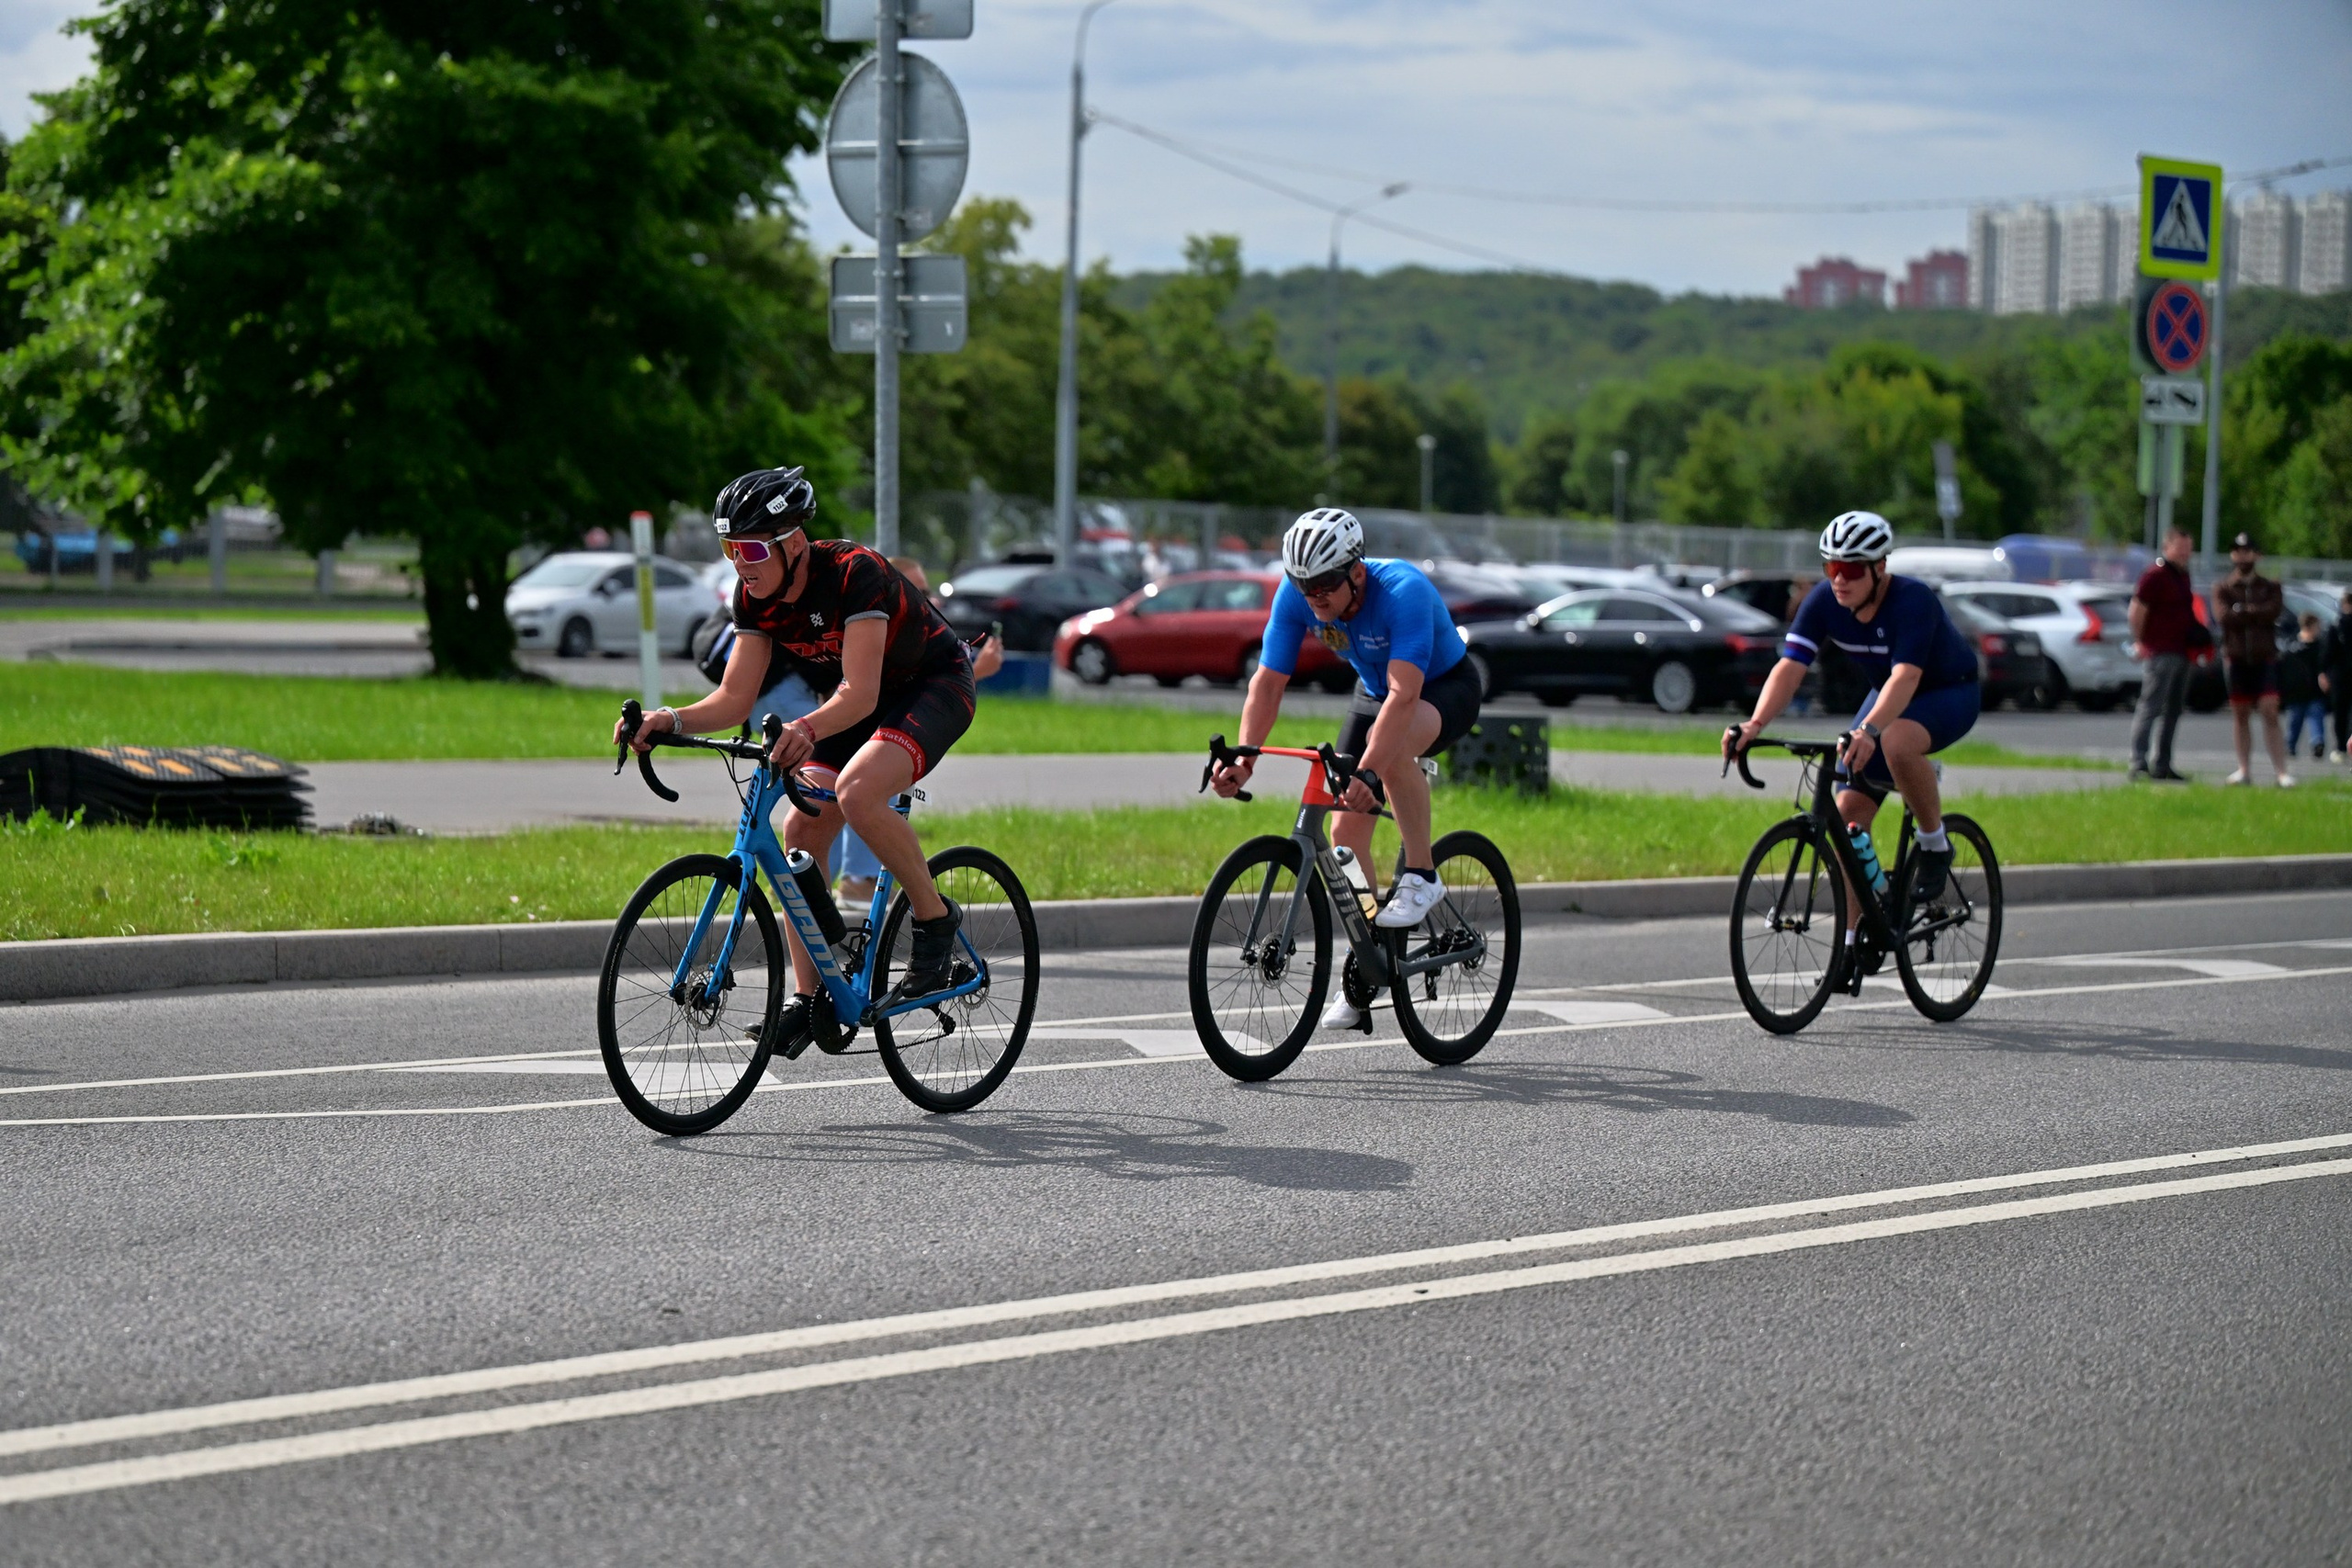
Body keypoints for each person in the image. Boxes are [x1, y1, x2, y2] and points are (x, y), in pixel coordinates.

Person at [616, 466, 978, 1056]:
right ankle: (810, 1002)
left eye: (752, 547)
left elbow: (859, 693)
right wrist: (669, 719)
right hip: (857, 706)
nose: (740, 562)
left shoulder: (853, 574)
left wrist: (806, 727)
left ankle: (935, 924)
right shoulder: (752, 597)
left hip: (930, 687)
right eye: (730, 548)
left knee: (859, 792)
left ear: (793, 542)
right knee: (801, 825)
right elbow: (734, 698)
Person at [1207, 507, 1484, 1032]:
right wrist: (1243, 758)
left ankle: (1422, 875)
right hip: (1375, 693)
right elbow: (1267, 683)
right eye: (1304, 585)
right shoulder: (1298, 598)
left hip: (1441, 688)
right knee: (1343, 834)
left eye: (1327, 584)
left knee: (1393, 752)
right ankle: (1370, 962)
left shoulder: (1403, 590)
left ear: (1357, 571)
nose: (1316, 598)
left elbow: (1405, 697)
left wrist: (1371, 775)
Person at [1724, 510, 1982, 948]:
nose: (1838, 580)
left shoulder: (1913, 600)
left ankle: (1935, 844)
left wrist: (1868, 730)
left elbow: (1906, 678)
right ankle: (1850, 939)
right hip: (1888, 696)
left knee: (1897, 741)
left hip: (1946, 692)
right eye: (1830, 568)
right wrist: (1754, 723)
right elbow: (1790, 668)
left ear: (1880, 568)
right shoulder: (1825, 602)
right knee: (1845, 819)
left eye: (1850, 570)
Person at [833, 555, 1001, 914]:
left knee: (861, 791)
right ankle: (853, 881)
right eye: (917, 589)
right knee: (831, 801)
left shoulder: (918, 629)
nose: (928, 599)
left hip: (909, 706)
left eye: (928, 591)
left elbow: (922, 684)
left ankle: (904, 901)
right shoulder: (872, 617)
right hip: (871, 706)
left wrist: (974, 671)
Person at [2214, 533, 2291, 787]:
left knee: (2270, 709)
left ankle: (2281, 771)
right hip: (2236, 658)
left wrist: (2245, 611)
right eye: (2237, 550)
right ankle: (2243, 769)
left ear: (2256, 554)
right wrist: (2252, 614)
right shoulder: (2223, 588)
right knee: (2240, 713)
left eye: (2248, 550)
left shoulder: (2269, 587)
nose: (2242, 555)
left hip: (2264, 656)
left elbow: (2273, 611)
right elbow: (2224, 617)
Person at [2128, 525, 2203, 783]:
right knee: (2150, 707)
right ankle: (2138, 762)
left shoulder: (2182, 575)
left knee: (2173, 711)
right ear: (2167, 547)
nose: (2185, 554)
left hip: (2182, 651)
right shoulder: (2155, 575)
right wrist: (2140, 642)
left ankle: (2163, 763)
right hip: (2160, 651)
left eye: (2188, 550)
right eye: (2180, 549)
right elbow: (2137, 610)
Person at [2280, 614, 2329, 761]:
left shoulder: (2320, 645)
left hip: (2315, 691)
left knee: (2316, 717)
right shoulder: (2293, 646)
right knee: (2295, 720)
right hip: (2297, 692)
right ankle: (2290, 746)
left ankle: (2317, 743)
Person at [2324, 590, 2352, 765]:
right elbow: (2327, 652)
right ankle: (2341, 746)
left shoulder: (2338, 625)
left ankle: (2343, 746)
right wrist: (2324, 672)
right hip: (2339, 676)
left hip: (2340, 676)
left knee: (2342, 714)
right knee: (2340, 713)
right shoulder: (2337, 626)